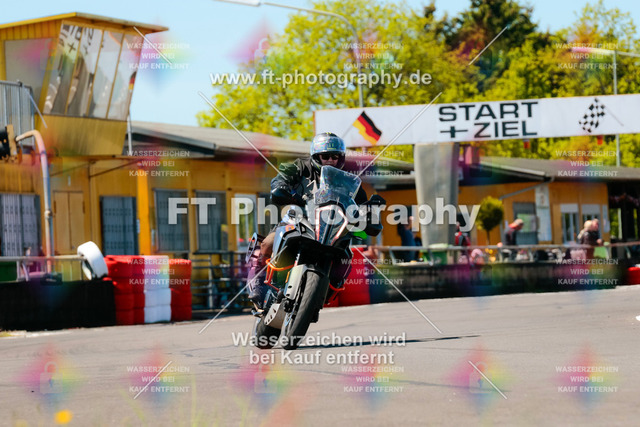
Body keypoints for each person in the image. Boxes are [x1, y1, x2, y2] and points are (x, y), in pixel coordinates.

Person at [247, 132, 370, 309]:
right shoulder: (301, 166)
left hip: (333, 227)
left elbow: (361, 203)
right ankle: (258, 282)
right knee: (268, 243)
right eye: (325, 156)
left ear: (341, 158)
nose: (330, 160)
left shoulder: (348, 180)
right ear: (316, 156)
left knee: (345, 258)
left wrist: (369, 212)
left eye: (335, 156)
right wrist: (281, 186)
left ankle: (327, 289)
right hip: (300, 218)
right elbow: (282, 177)